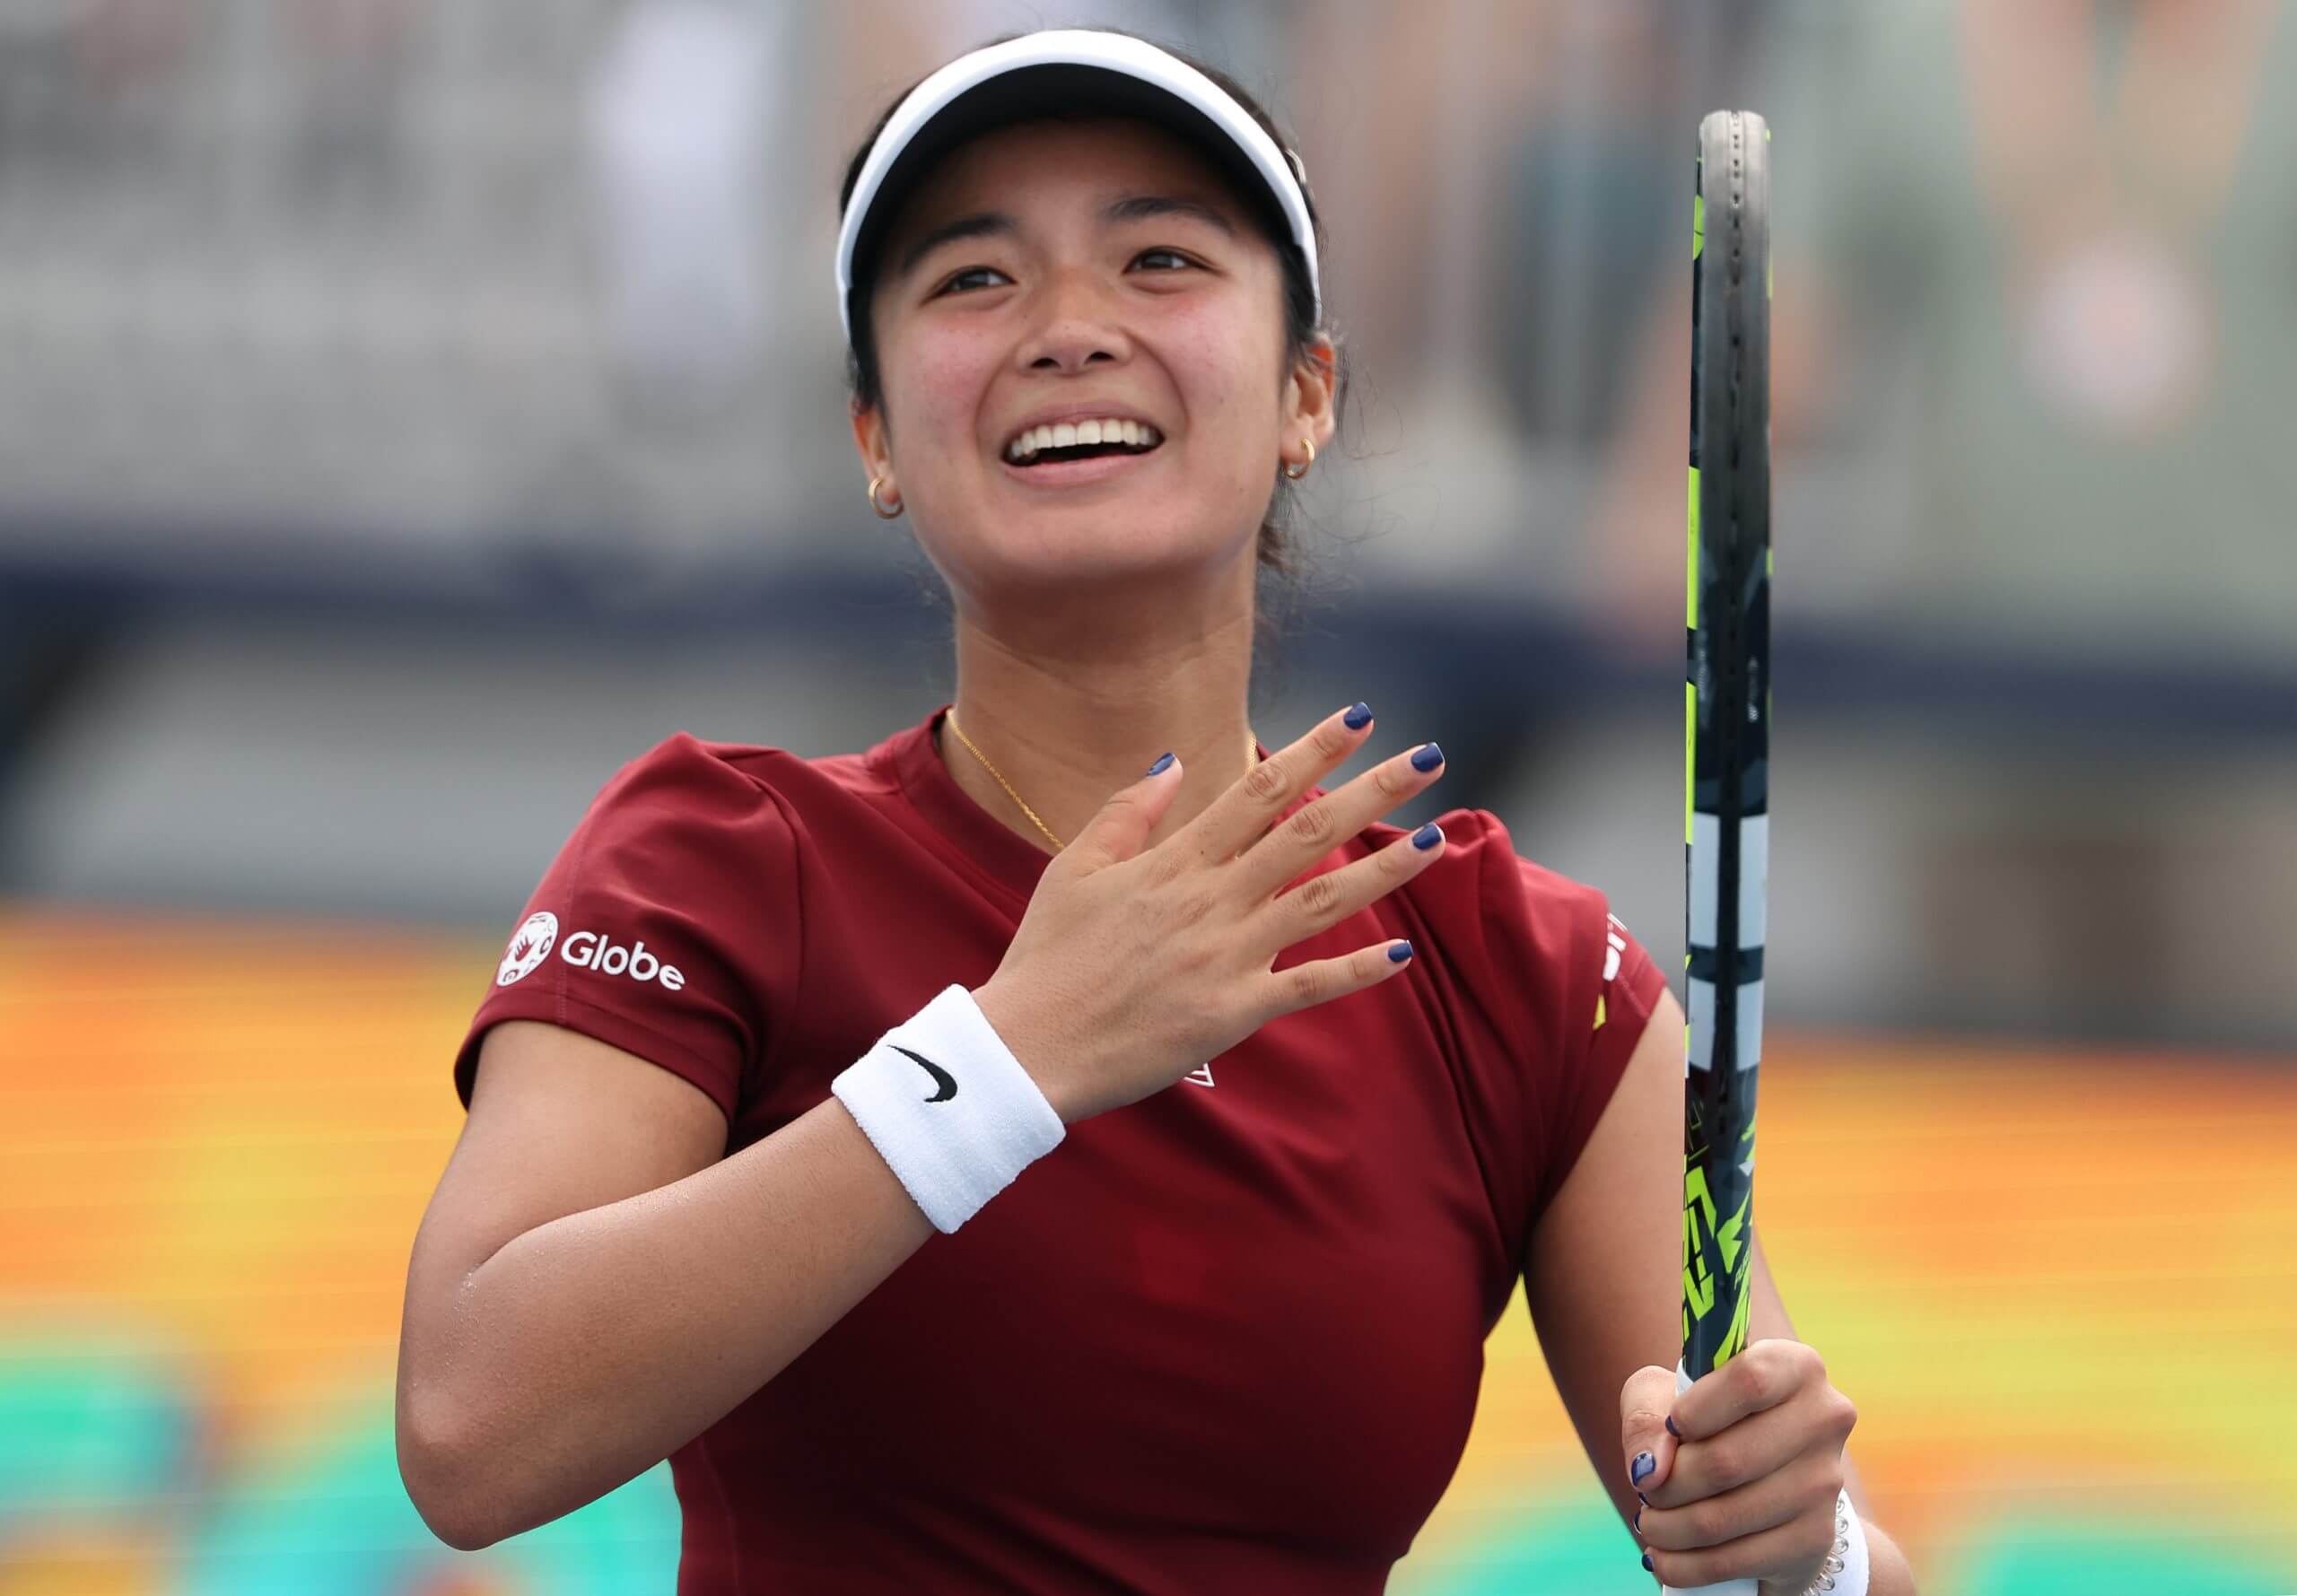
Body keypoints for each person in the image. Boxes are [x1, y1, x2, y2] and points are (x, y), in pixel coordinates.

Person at [395, 27, 1914, 1595]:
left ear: (1305, 396)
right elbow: (470, 1425)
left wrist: (1803, 1552)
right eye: (974, 280)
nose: (1068, 329)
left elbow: (1815, 1547)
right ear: (874, 440)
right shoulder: (716, 861)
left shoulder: (1521, 974)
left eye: (1162, 260)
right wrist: (1009, 1057)